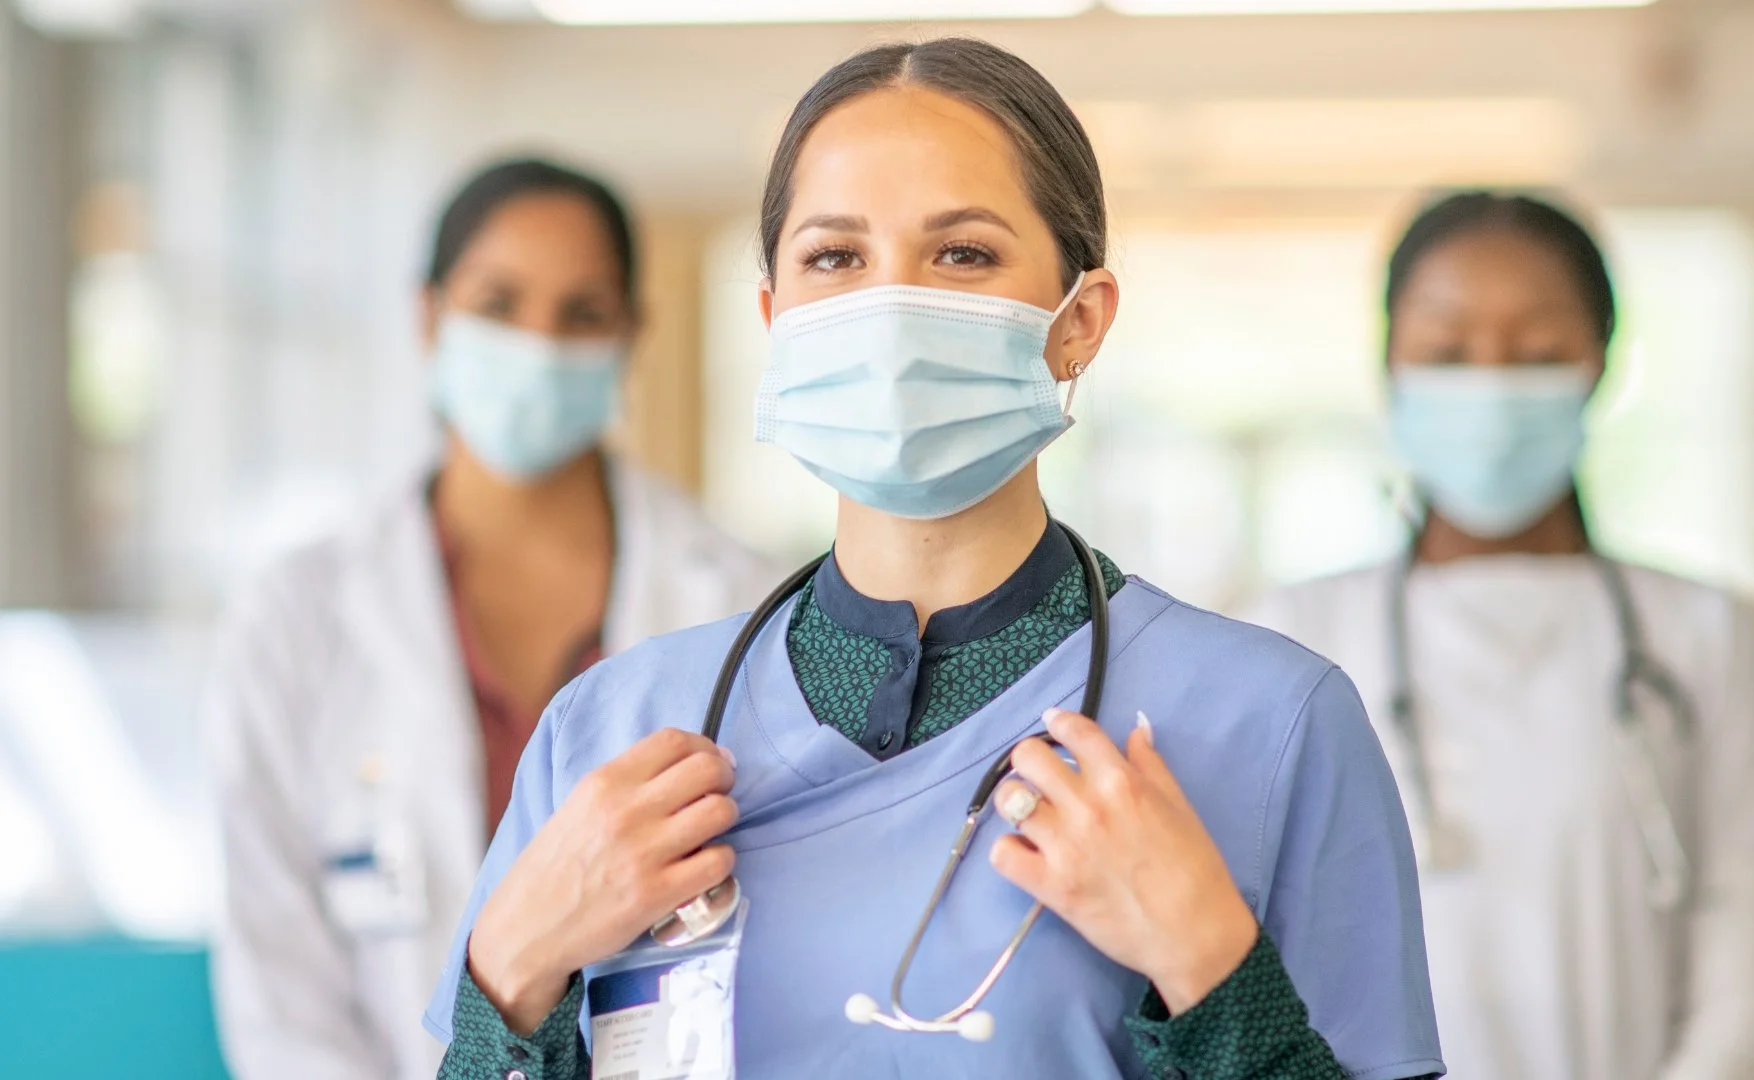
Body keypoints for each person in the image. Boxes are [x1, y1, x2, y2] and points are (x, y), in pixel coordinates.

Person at [424, 39, 1445, 1080]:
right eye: (835, 257)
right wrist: (510, 969)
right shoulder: (608, 733)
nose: (889, 310)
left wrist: (1212, 971)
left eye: (961, 253)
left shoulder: (1269, 725)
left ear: (1079, 322)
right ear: (776, 318)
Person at [1243, 192, 1754, 1080]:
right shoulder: (1288, 637)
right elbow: (1244, 958)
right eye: (1447, 352)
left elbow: (1742, 993)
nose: (1490, 386)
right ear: (1389, 366)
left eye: (1536, 353)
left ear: (1600, 362)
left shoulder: (1709, 633)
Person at [206, 157, 779, 1080]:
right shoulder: (297, 619)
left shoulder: (741, 602)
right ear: (429, 317)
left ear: (631, 334)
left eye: (582, 312)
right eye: (498, 303)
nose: (538, 345)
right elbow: (279, 988)